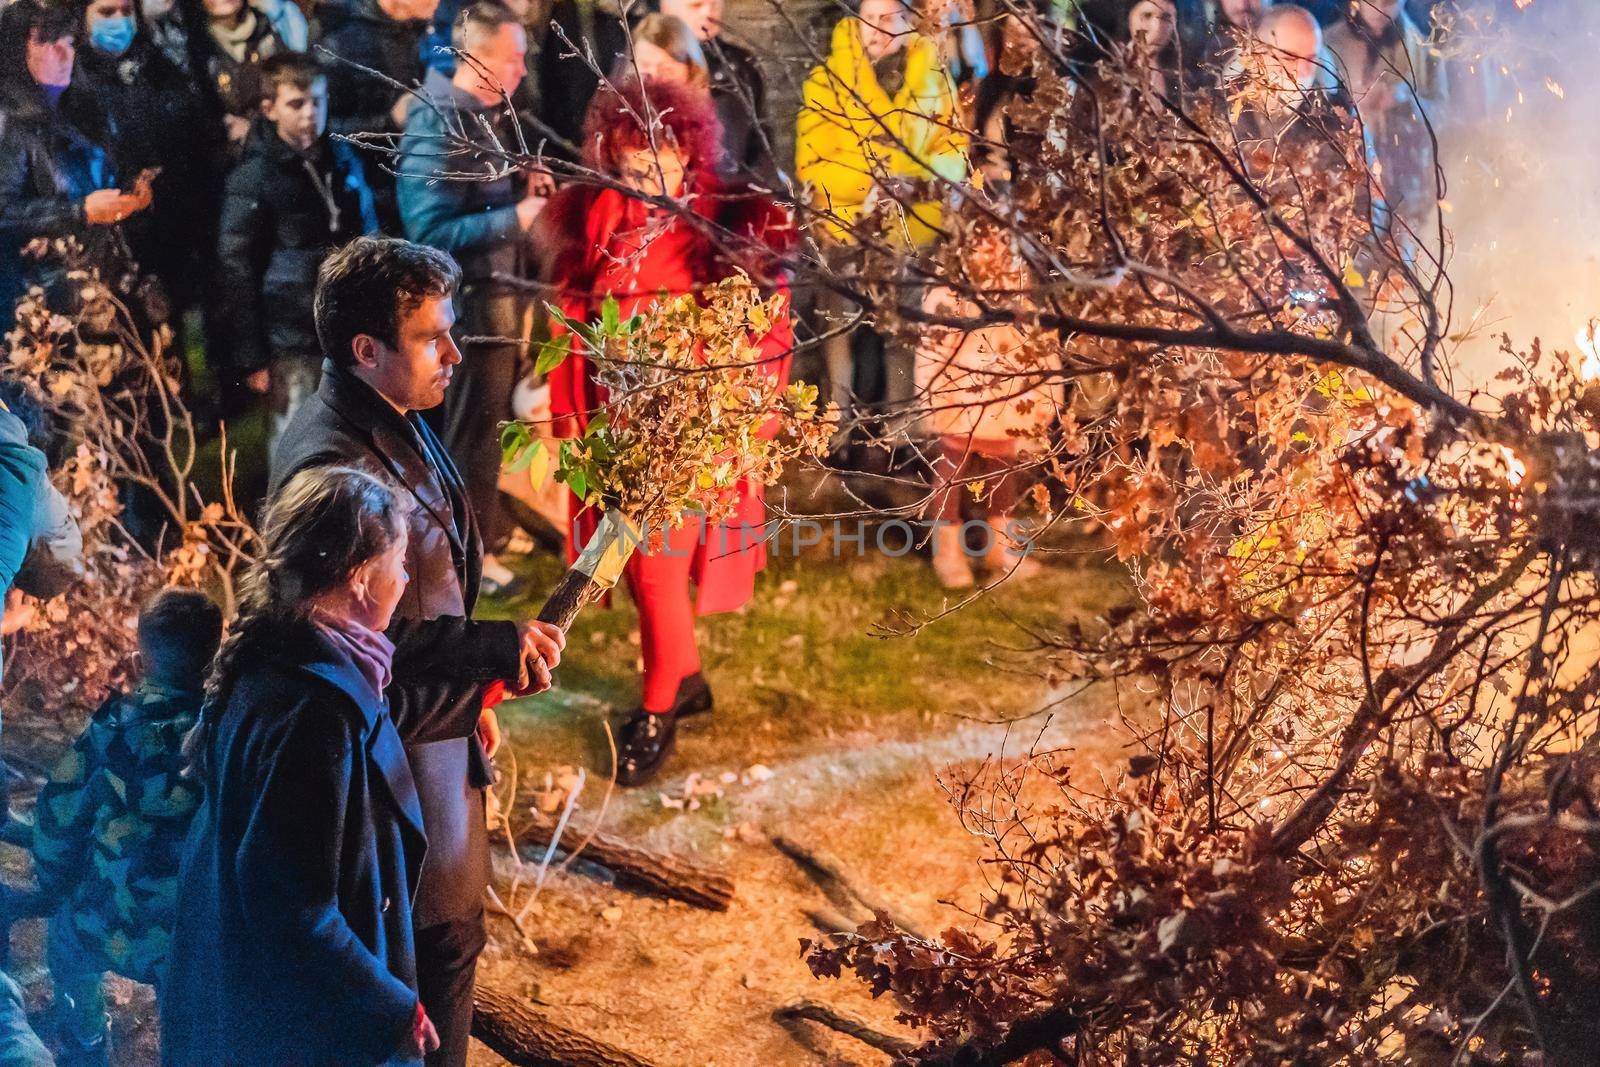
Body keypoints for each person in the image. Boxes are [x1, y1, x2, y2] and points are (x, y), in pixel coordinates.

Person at [269, 236, 565, 1067]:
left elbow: (431, 584)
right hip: (399, 811)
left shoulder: (391, 414)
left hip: (435, 776)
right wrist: (483, 669)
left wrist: (480, 674)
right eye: (432, 337)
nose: (455, 353)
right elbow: (358, 654)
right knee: (428, 993)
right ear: (367, 351)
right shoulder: (333, 464)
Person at [540, 76, 794, 786]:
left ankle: (659, 707)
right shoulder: (595, 222)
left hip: (694, 430)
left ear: (691, 152)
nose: (647, 178)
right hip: (621, 431)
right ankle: (683, 676)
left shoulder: (732, 228)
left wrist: (746, 409)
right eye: (631, 166)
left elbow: (767, 326)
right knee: (645, 566)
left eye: (661, 162)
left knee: (653, 567)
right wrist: (569, 415)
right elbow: (571, 323)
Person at [163, 466, 437, 1065]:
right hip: (299, 1023)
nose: (406, 575)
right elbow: (291, 905)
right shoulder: (316, 712)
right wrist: (392, 1004)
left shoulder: (274, 654)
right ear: (361, 578)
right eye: (399, 562)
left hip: (242, 992)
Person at [29, 588, 220, 1067]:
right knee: (193, 1007)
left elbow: (58, 816)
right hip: (191, 936)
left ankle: (87, 1040)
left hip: (106, 915)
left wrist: (55, 886)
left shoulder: (114, 725)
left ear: (140, 658)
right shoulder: (226, 732)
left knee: (67, 943)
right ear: (214, 660)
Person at [399, 1, 549, 599]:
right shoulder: (437, 121)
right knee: (471, 435)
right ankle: (464, 561)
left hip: (497, 298)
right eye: (512, 59)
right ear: (477, 59)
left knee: (488, 433)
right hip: (468, 309)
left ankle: (478, 539)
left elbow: (479, 199)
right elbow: (428, 232)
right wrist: (517, 216)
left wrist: (520, 185)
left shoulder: (487, 113)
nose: (521, 70)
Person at [795, 0, 967, 459]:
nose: (882, 27)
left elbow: (954, 148)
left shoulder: (934, 81)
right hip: (845, 226)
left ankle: (901, 436)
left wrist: (917, 180)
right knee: (839, 334)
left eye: (893, 16)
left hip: (913, 230)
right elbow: (812, 159)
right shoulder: (827, 82)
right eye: (873, 16)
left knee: (903, 336)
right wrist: (866, 181)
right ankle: (838, 432)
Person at [217, 52, 380, 437]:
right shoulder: (253, 177)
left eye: (318, 102)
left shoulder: (340, 156)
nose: (310, 114)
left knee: (352, 430)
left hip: (346, 321)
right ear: (270, 109)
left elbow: (366, 225)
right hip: (291, 335)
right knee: (297, 434)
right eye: (297, 104)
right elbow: (236, 265)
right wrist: (253, 354)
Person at [71, 0, 224, 342]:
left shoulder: (155, 66)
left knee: (186, 337)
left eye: (126, 11)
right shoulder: (75, 81)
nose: (120, 22)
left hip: (173, 226)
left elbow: (189, 135)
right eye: (107, 13)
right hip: (118, 236)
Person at [916, 231, 1060, 588]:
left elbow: (1042, 348)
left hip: (1008, 405)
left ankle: (1001, 550)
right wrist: (933, 397)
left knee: (1002, 477)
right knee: (951, 477)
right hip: (961, 400)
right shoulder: (949, 295)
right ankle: (948, 553)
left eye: (998, 242)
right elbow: (931, 353)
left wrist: (1048, 396)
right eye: (981, 242)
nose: (989, 251)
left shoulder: (1020, 292)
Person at [0, 1, 153, 331]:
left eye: (68, 42)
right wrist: (79, 211)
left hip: (107, 286)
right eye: (46, 43)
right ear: (17, 51)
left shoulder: (84, 109)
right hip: (46, 307)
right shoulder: (9, 125)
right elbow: (4, 210)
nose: (62, 53)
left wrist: (130, 193)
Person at [1324, 0, 1445, 231]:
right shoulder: (1327, 44)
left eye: (1389, 1)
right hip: (1352, 186)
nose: (1380, 6)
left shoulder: (1423, 48)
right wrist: (1352, 110)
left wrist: (1406, 102)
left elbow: (1443, 112)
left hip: (1408, 186)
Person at [322, 0, 441, 230]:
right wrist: (390, 121)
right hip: (375, 199)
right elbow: (324, 130)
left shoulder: (429, 32)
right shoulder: (341, 42)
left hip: (427, 189)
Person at [659, 0, 779, 185]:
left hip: (728, 196)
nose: (709, 11)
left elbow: (760, 144)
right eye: (696, 5)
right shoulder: (646, 62)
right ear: (666, 5)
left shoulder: (740, 64)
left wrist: (742, 195)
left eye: (715, 3)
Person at [190, 0, 295, 150]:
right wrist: (223, 123)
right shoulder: (196, 46)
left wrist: (256, 127)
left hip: (277, 139)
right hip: (231, 153)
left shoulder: (267, 29)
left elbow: (288, 83)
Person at [534, 0, 631, 163]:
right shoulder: (565, 16)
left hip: (609, 138)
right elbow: (558, 87)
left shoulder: (621, 16)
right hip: (572, 141)